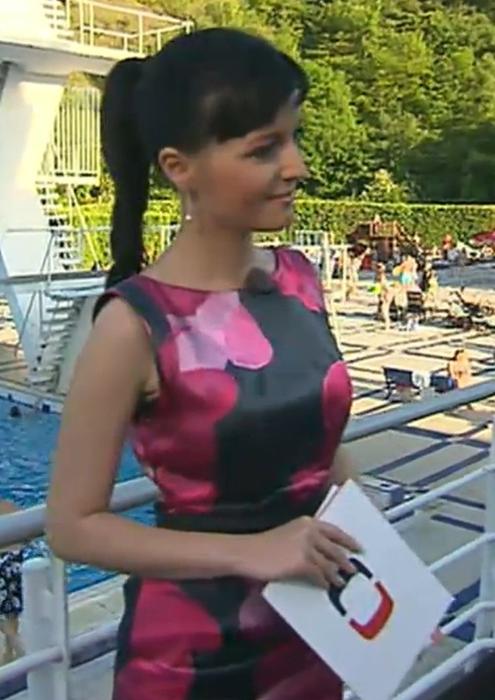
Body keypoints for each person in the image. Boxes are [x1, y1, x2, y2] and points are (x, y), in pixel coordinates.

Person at [47, 28, 359, 700]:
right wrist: (253, 550)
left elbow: (320, 445)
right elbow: (72, 526)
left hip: (317, 627)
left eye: (294, 138)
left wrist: (388, 580)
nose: (298, 166)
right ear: (178, 167)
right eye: (264, 148)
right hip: (194, 660)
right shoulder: (133, 325)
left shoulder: (300, 281)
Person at [0, 500, 24, 665]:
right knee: (11, 613)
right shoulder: (9, 505)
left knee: (5, 621)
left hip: (2, 563)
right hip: (16, 561)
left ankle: (22, 653)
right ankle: (9, 653)